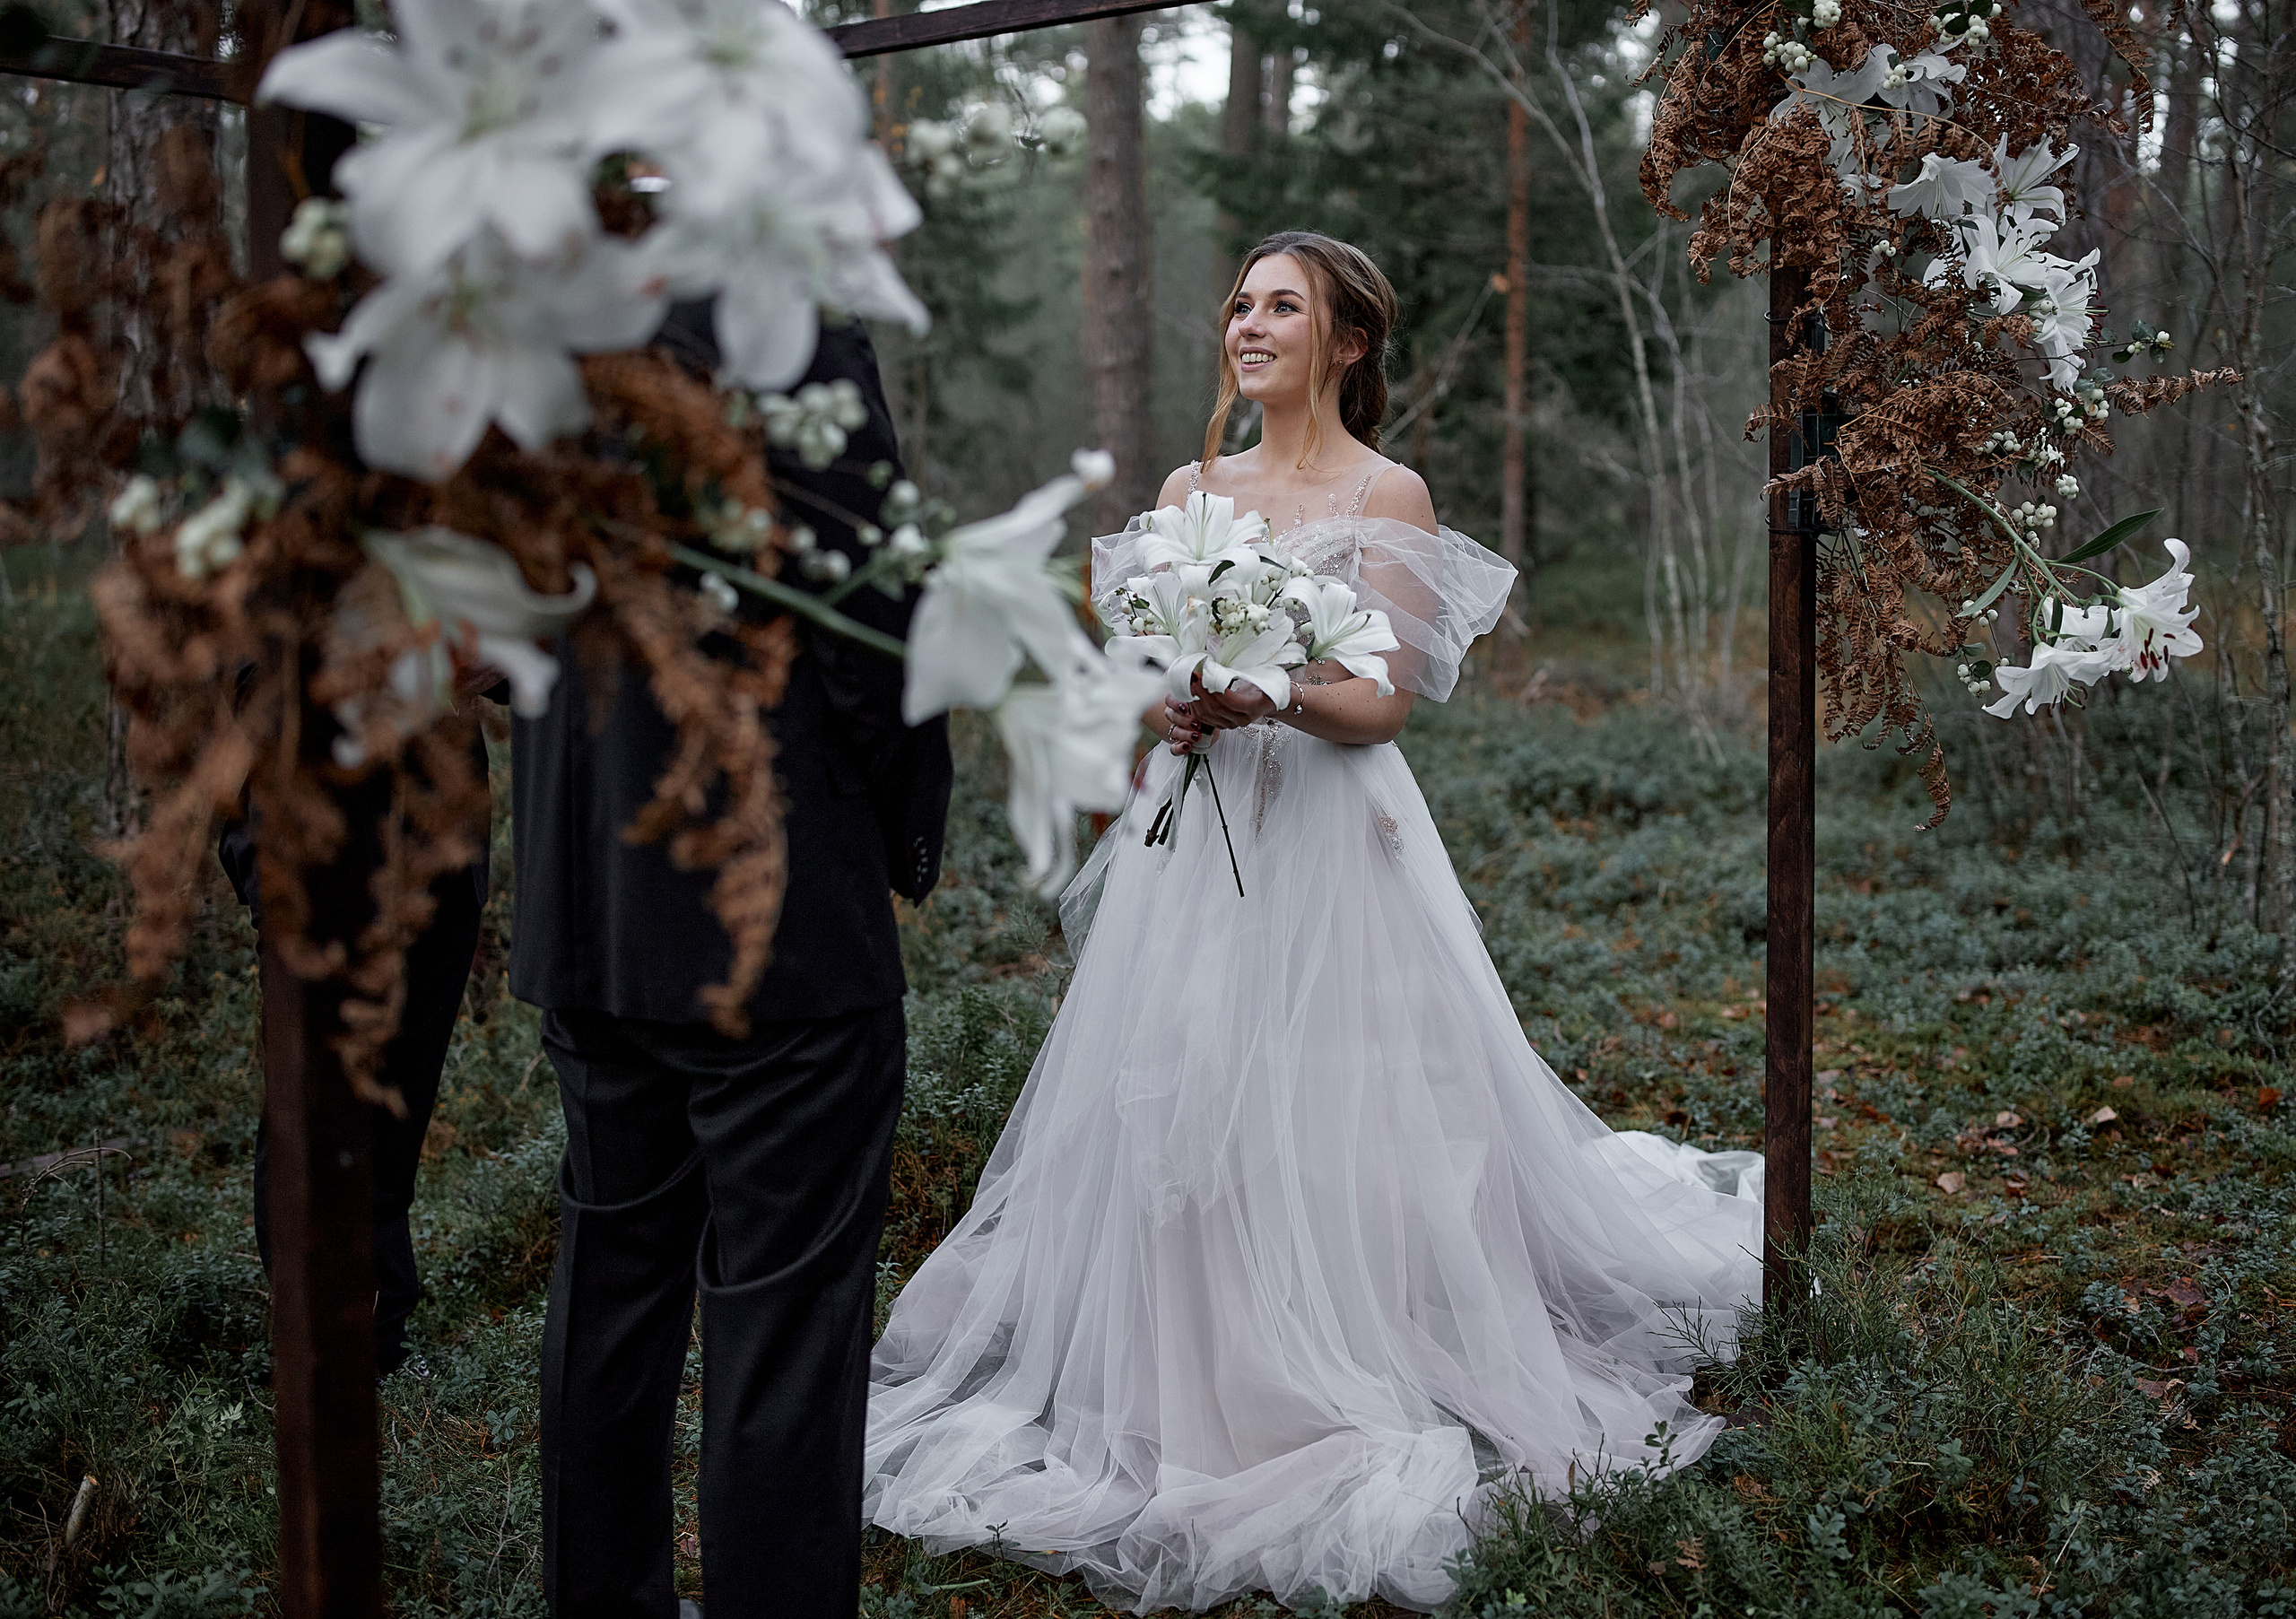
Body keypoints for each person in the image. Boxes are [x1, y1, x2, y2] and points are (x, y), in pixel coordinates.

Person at [862, 232, 1763, 1612]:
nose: (1250, 324)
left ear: (1346, 343)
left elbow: (1384, 699)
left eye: (1284, 306)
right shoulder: (1189, 487)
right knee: (1185, 1091)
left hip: (1330, 836)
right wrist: (1172, 696)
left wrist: (1268, 687)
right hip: (1196, 829)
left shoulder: (1383, 488)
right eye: (1239, 303)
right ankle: (1196, 1349)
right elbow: (1147, 671)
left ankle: (1351, 1333)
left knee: (1344, 1099)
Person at [518, 309, 950, 1619]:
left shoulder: (522, 317)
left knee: (610, 1294)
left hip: (587, 898)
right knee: (784, 1327)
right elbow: (871, 605)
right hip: (774, 913)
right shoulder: (776, 323)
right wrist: (903, 824)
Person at [221, 731, 489, 1381]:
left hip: (440, 861)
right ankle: (319, 1346)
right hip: (316, 868)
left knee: (398, 1102)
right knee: (310, 1112)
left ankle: (378, 1338)